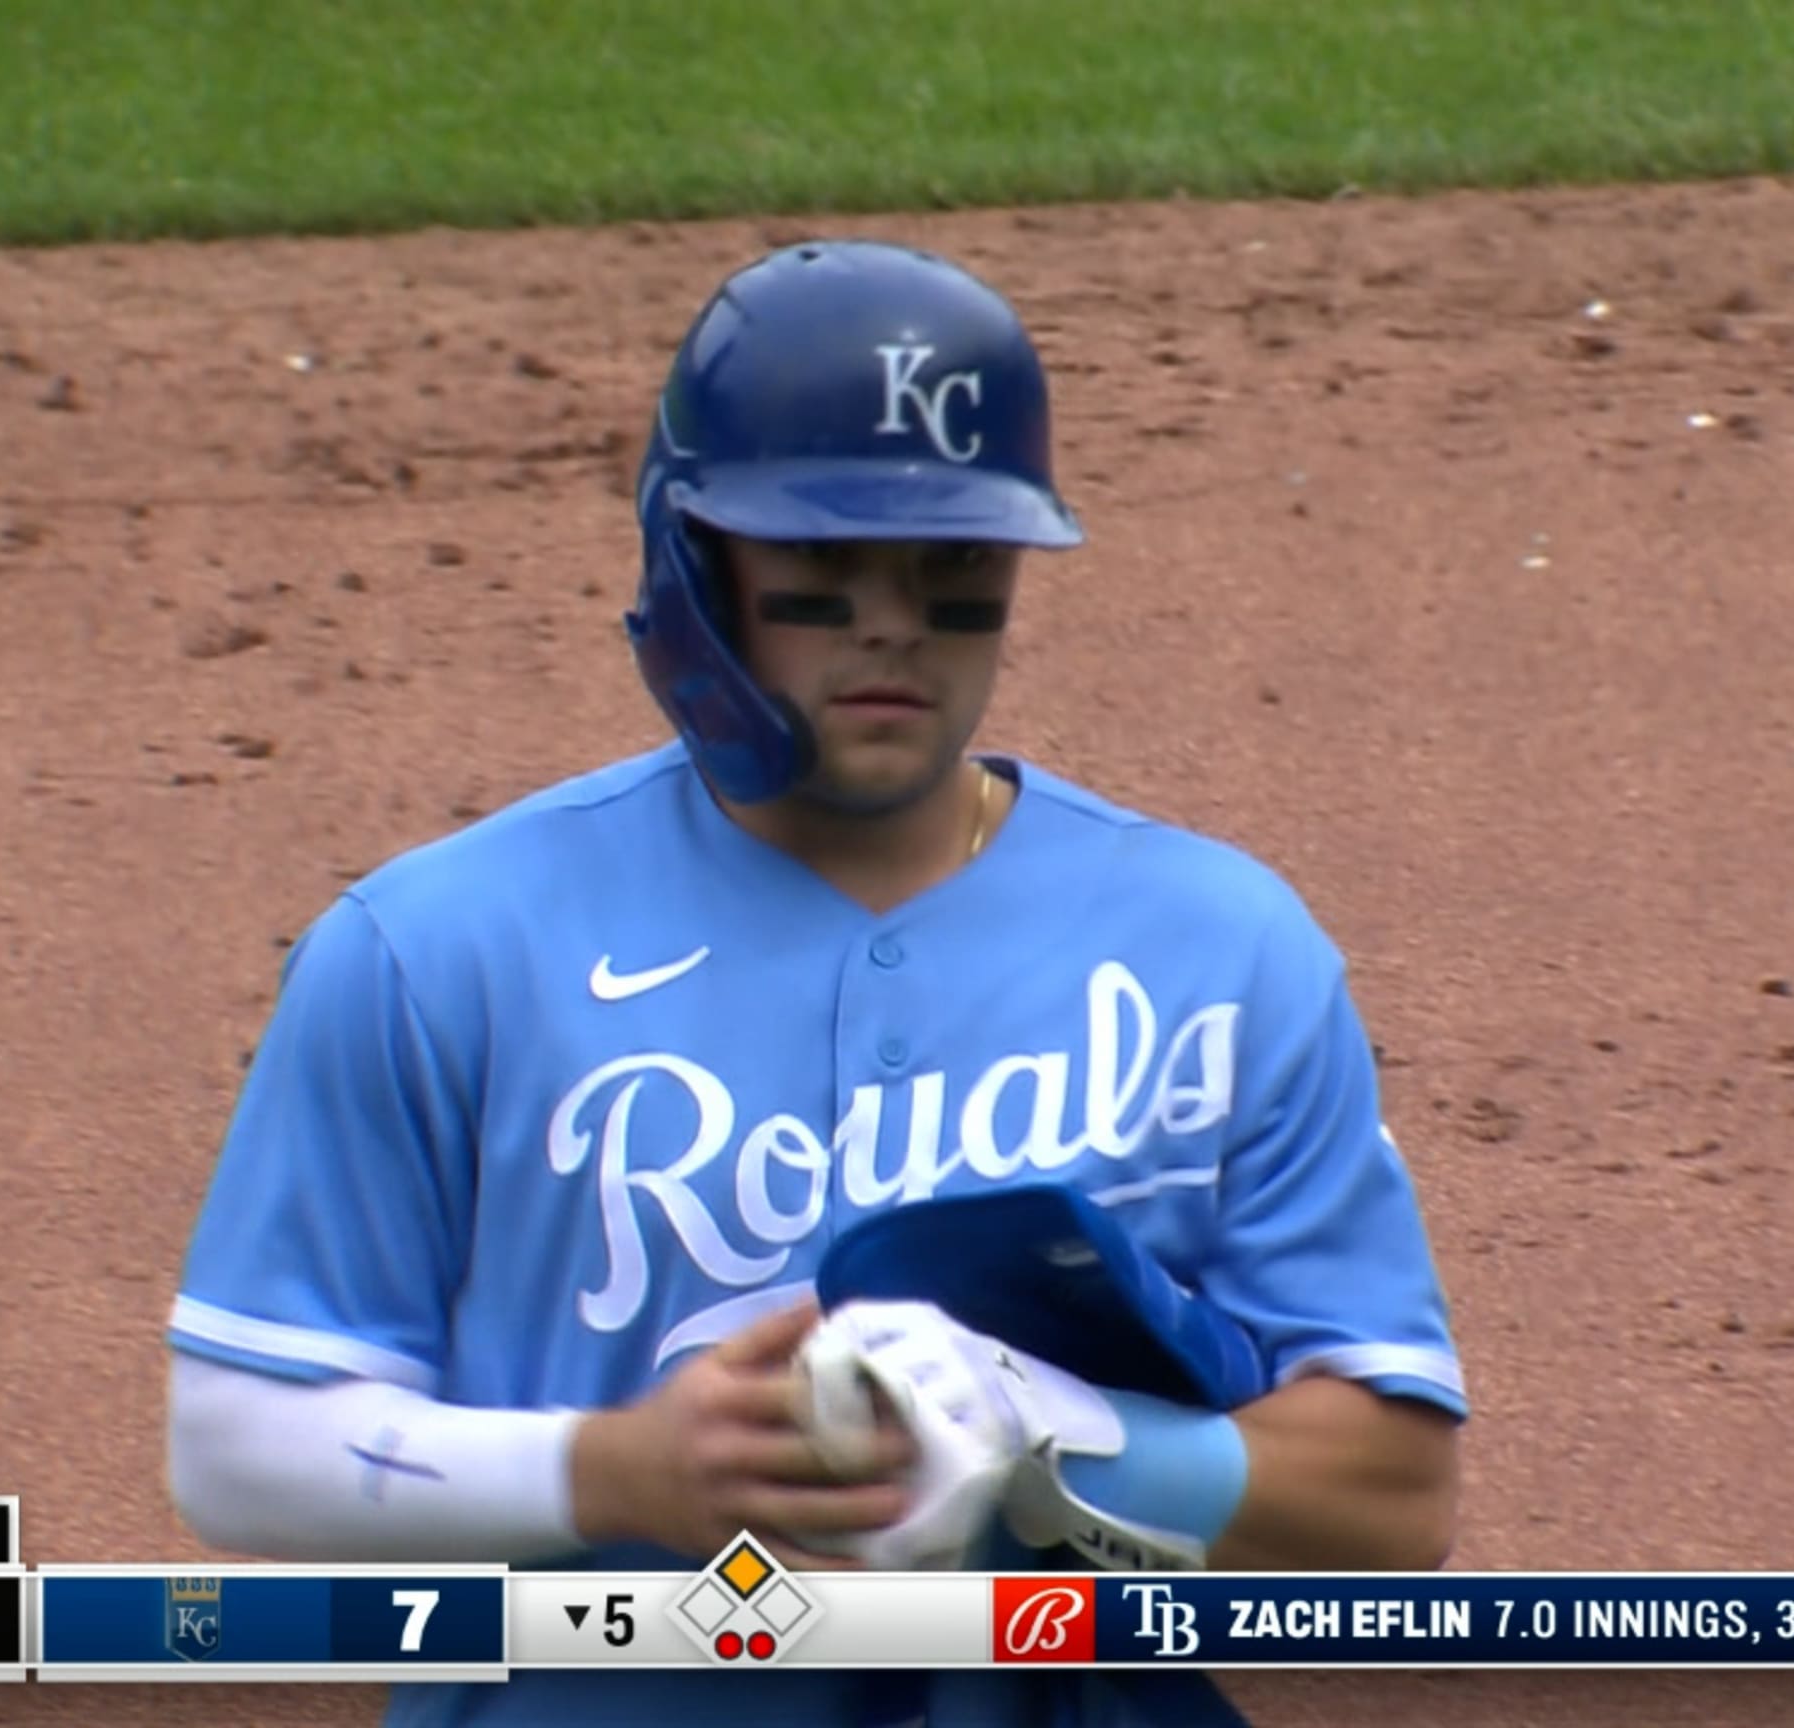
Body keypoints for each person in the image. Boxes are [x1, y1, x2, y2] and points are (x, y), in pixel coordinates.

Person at [162, 239, 1470, 1727]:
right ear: (696, 568)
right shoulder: (437, 947)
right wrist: (623, 1468)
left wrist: (1066, 1440)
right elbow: (235, 1442)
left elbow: (1396, 1492)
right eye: (823, 569)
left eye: (950, 565)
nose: (891, 621)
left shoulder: (1224, 948)